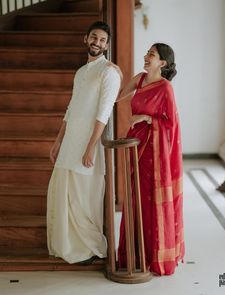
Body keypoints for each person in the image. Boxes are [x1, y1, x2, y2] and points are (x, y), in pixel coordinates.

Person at [47, 21, 121, 264]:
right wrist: (58, 141)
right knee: (63, 191)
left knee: (82, 196)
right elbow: (71, 108)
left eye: (102, 40)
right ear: (86, 38)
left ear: (107, 45)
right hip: (70, 140)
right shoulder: (80, 72)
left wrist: (91, 146)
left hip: (89, 142)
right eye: (94, 37)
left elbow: (104, 111)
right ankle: (66, 245)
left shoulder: (109, 72)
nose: (97, 43)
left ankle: (88, 247)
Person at [117, 43, 185, 275]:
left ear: (162, 63)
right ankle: (133, 252)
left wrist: (147, 118)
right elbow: (116, 99)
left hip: (153, 155)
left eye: (152, 55)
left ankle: (151, 254)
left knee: (147, 201)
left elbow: (171, 124)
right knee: (134, 197)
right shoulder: (139, 79)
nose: (146, 57)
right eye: (147, 53)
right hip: (135, 147)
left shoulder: (165, 88)